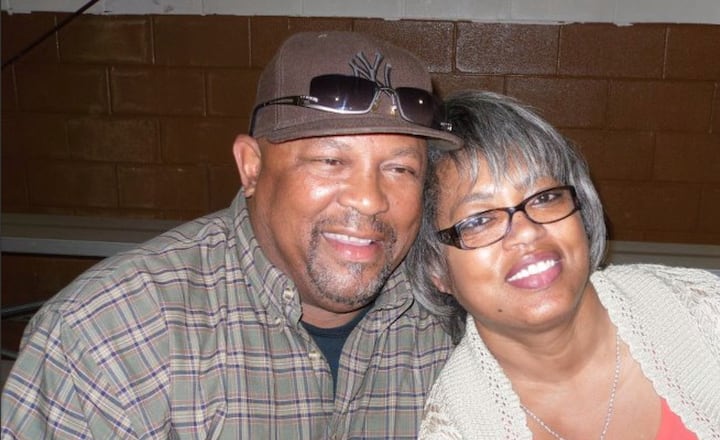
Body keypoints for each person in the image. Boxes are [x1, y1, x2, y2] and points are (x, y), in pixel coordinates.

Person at [1, 31, 463, 439]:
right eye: (330, 161)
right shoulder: (111, 337)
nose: (370, 199)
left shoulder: (456, 322)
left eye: (400, 168)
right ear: (252, 167)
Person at [406, 91, 720, 439]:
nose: (526, 232)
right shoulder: (458, 426)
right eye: (479, 220)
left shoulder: (698, 310)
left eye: (544, 197)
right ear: (435, 268)